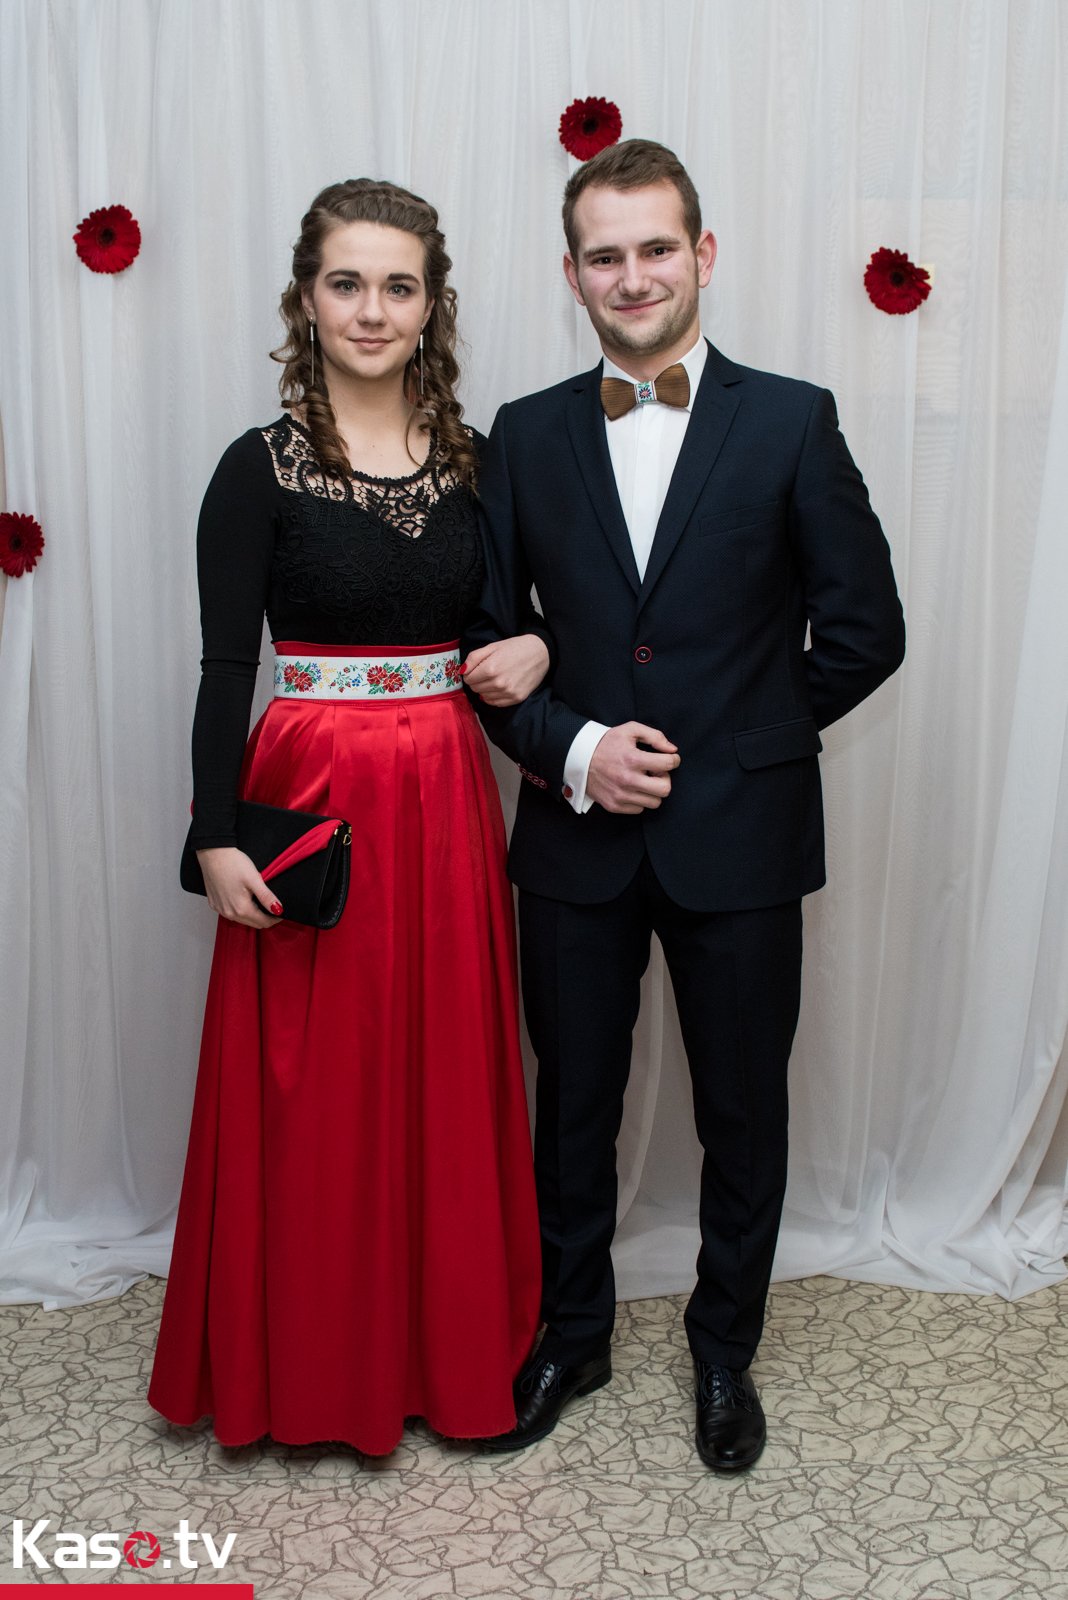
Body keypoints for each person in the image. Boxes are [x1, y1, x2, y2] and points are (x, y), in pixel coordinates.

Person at [467, 140, 906, 1471]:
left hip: (742, 833)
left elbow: (866, 630)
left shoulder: (792, 420)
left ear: (702, 255)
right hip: (574, 840)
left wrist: (733, 748)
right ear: (571, 275)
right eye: (605, 255)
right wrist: (577, 748)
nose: (634, 275)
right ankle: (574, 1336)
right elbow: (486, 645)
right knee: (571, 1108)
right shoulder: (524, 434)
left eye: (656, 248)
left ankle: (726, 1351)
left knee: (743, 1112)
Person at [149, 179, 548, 1455]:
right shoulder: (253, 467)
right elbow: (226, 667)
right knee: (313, 1088)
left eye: (397, 286)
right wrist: (216, 834)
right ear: (306, 299)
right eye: (346, 283)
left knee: (442, 1078)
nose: (371, 309)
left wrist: (538, 646)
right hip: (314, 792)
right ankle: (313, 1372)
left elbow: (515, 627)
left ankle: (442, 1358)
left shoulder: (478, 462)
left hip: (445, 793)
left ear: (431, 306)